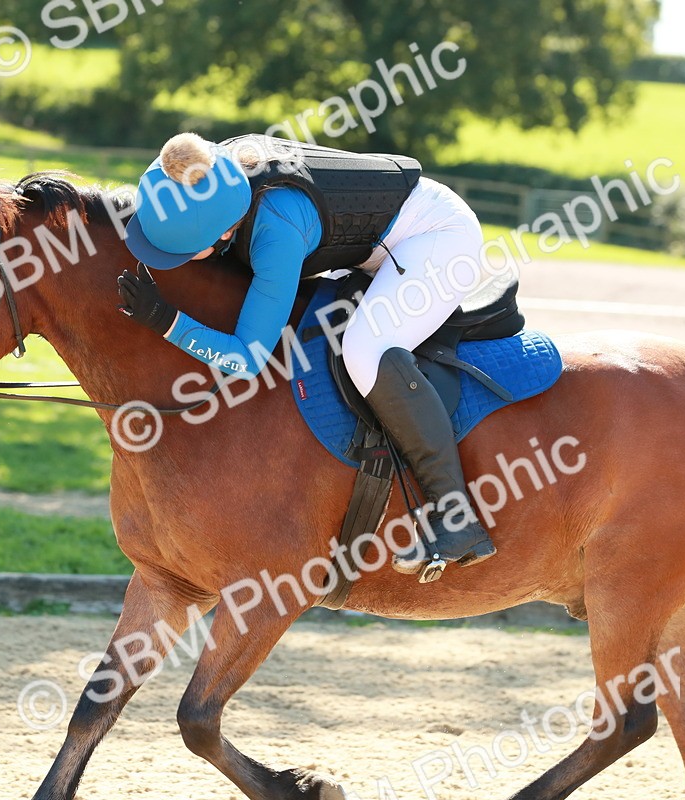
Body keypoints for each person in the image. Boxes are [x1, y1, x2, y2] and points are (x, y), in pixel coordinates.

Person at [118, 132, 514, 579]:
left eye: (188, 252)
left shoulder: (276, 233)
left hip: (437, 240)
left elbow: (248, 359)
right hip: (378, 237)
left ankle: (455, 518)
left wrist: (168, 322)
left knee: (364, 351)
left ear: (227, 231)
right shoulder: (212, 170)